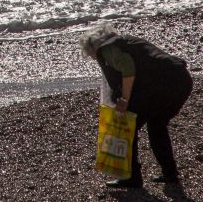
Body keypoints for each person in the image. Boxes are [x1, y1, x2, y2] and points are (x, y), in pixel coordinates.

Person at [80, 25, 192, 190]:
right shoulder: (128, 41)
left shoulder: (107, 49)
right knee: (157, 125)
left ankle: (132, 178)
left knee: (127, 129)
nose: (92, 58)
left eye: (89, 54)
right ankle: (170, 174)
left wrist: (124, 100)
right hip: (182, 79)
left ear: (93, 46)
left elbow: (127, 67)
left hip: (162, 85)